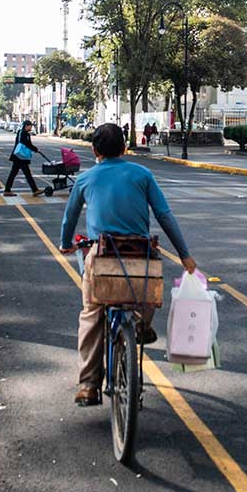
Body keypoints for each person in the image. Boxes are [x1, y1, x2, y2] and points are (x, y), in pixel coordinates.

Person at [59, 123, 196, 407]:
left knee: (92, 314)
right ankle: (139, 324)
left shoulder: (86, 179)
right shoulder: (142, 174)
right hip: (140, 253)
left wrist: (65, 243)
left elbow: (69, 218)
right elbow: (164, 214)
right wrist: (184, 254)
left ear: (94, 150)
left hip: (103, 254)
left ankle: (88, 386)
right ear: (124, 148)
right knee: (146, 296)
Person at [4, 120, 45, 197]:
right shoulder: (24, 133)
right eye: (30, 126)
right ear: (26, 126)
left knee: (15, 173)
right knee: (26, 174)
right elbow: (27, 144)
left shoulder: (21, 132)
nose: (31, 127)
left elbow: (27, 144)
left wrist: (35, 149)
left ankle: (7, 190)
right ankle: (34, 190)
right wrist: (36, 149)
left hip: (18, 156)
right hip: (20, 157)